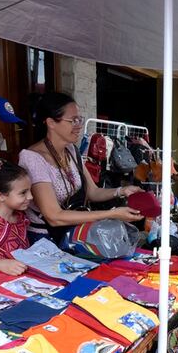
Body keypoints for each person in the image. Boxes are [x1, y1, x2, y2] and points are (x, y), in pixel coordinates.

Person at [18, 92, 143, 244]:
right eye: (73, 120)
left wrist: (122, 191)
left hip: (73, 233)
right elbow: (54, 216)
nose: (79, 126)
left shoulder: (71, 150)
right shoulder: (33, 158)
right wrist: (112, 214)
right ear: (51, 123)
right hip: (46, 239)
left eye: (80, 119)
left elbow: (92, 192)